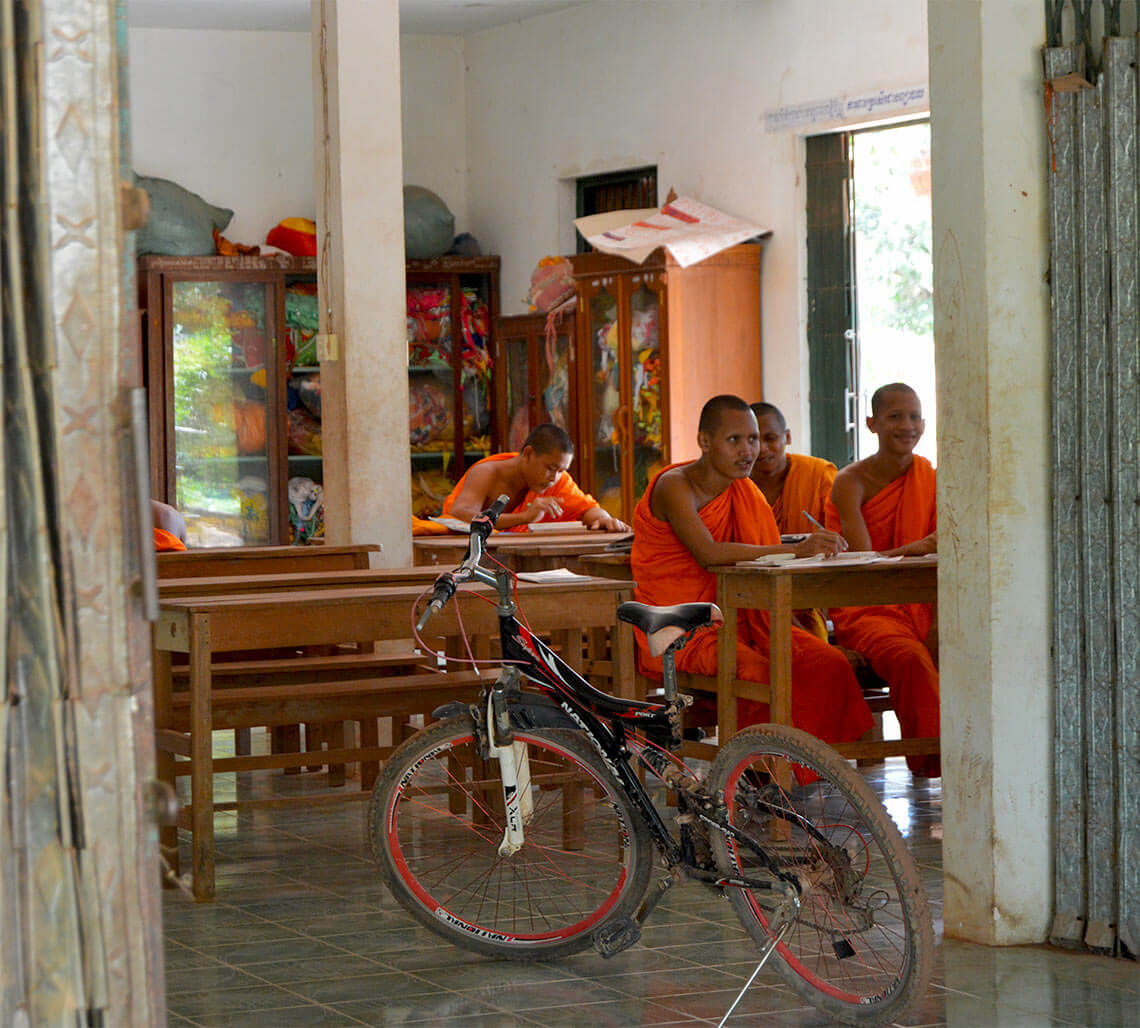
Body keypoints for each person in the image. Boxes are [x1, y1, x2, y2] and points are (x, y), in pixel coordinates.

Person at [631, 394, 873, 745]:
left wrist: (806, 552)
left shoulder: (744, 491)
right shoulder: (675, 486)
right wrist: (795, 549)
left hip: (743, 620)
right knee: (761, 673)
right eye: (734, 440)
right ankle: (758, 772)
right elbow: (709, 554)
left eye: (753, 439)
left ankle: (812, 765)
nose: (748, 450)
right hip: (684, 628)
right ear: (704, 441)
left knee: (827, 662)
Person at [825, 382, 940, 778]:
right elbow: (865, 563)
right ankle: (937, 760)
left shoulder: (932, 478)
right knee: (912, 658)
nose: (906, 426)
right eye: (895, 417)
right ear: (873, 423)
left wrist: (925, 547)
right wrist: (918, 547)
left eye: (914, 416)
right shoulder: (851, 481)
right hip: (868, 607)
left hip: (928, 601)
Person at [749, 400, 838, 639]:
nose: (763, 449)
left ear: (786, 437)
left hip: (807, 593)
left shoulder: (817, 475)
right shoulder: (734, 486)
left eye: (770, 438)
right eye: (754, 440)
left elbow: (839, 535)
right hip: (750, 592)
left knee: (812, 644)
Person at [442, 423, 630, 532]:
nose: (554, 478)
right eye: (550, 468)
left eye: (560, 470)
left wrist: (604, 518)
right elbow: (460, 514)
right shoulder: (487, 473)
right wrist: (524, 518)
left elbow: (585, 509)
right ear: (528, 454)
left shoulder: (558, 479)